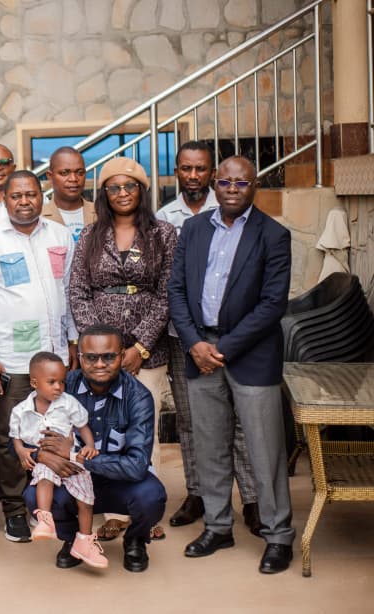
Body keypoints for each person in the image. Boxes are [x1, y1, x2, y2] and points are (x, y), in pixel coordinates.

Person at [168, 156, 295, 574]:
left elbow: (272, 303)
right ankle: (219, 527)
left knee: (265, 451)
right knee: (209, 447)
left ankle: (278, 536)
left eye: (242, 183)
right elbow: (177, 291)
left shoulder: (273, 235)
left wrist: (224, 349)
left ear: (254, 185)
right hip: (199, 351)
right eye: (225, 182)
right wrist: (194, 343)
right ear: (215, 185)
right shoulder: (193, 228)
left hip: (251, 355)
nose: (233, 189)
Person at [68, 156, 177, 542]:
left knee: (143, 429)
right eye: (114, 187)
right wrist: (100, 350)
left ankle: (148, 507)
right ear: (104, 194)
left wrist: (141, 346)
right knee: (105, 428)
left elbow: (168, 293)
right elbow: (78, 292)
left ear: (142, 190)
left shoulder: (163, 233)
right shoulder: (90, 236)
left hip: (147, 350)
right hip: (100, 353)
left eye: (129, 186)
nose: (122, 193)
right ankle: (114, 512)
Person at [157, 141, 260, 533]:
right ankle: (197, 493)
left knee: (240, 421)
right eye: (186, 168)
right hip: (183, 336)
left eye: (201, 169)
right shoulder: (164, 217)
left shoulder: (234, 213)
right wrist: (190, 337)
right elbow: (171, 284)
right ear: (178, 172)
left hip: (232, 337)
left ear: (214, 175)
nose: (194, 175)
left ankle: (250, 499)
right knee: (189, 421)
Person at [0, 169, 77, 543]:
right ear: (5, 200)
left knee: (58, 431)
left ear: (41, 196)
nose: (24, 201)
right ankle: (15, 510)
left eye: (31, 194)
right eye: (16, 196)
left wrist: (74, 343)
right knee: (12, 435)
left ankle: (51, 507)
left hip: (56, 357)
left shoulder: (61, 236)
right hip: (12, 360)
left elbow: (71, 294)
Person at [24, 324, 167, 573]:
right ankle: (74, 539)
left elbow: (136, 466)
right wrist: (42, 454)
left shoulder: (139, 397)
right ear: (79, 357)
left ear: (122, 356)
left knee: (152, 497)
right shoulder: (60, 387)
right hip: (74, 480)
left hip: (120, 482)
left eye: (109, 356)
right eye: (91, 357)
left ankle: (135, 540)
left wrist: (72, 456)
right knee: (33, 494)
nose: (100, 364)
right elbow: (30, 441)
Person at [10, 352, 105, 568]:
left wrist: (89, 445)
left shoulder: (68, 403)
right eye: (51, 382)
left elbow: (82, 426)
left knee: (86, 501)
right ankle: (45, 521)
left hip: (71, 459)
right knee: (44, 477)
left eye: (62, 381)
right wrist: (21, 451)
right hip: (44, 459)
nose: (58, 387)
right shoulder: (20, 411)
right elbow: (15, 437)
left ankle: (85, 541)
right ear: (34, 382)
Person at [42, 146, 96, 243]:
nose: (73, 179)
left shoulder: (100, 212)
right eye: (64, 173)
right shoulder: (39, 217)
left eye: (80, 173)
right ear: (50, 176)